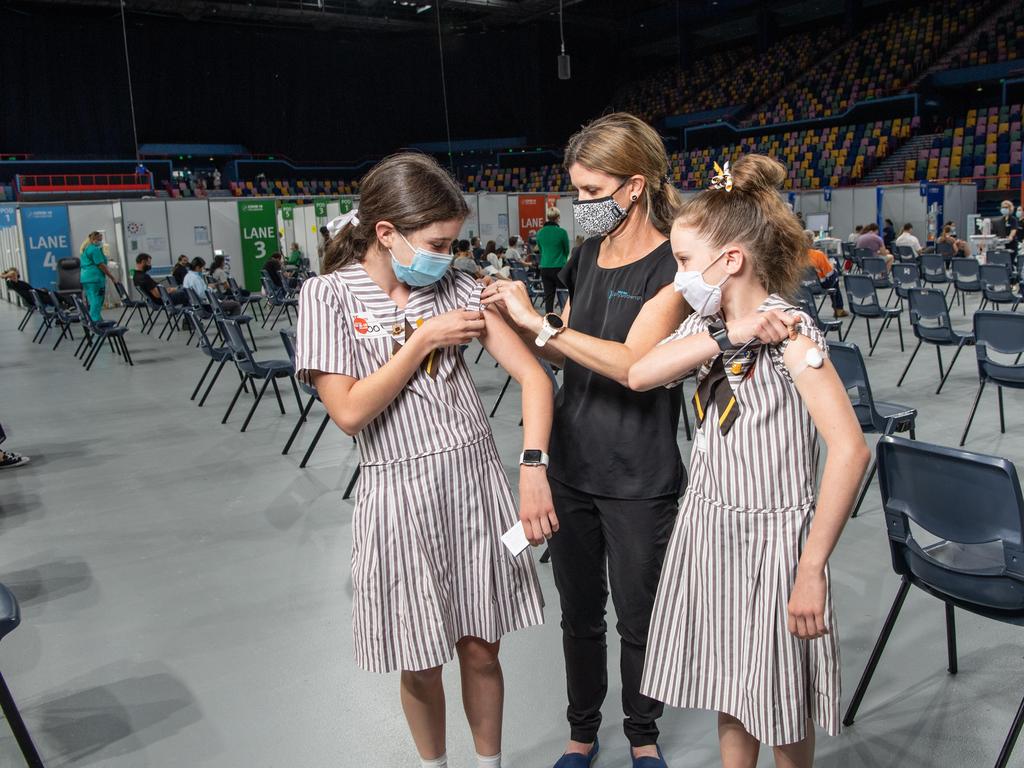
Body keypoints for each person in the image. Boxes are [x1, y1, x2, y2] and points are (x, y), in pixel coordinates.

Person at [294, 152, 554, 768]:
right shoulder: (327, 297)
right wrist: (424, 340)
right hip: (398, 494)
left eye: (453, 241)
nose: (447, 254)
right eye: (437, 242)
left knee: (483, 647)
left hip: (477, 486)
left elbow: (536, 380)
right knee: (419, 658)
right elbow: (351, 412)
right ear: (386, 232)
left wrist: (533, 465)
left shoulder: (459, 285)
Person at [628, 153, 870, 768]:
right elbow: (639, 373)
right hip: (712, 529)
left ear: (730, 260)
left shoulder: (793, 333)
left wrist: (811, 566)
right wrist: (725, 335)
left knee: (781, 702)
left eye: (684, 262)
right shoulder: (708, 327)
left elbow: (849, 448)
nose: (679, 276)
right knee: (730, 689)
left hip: (774, 541)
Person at [482, 112, 689, 767]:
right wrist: (509, 323)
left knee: (637, 618)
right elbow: (569, 353)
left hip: (640, 473)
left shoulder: (675, 266)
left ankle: (642, 735)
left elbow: (634, 364)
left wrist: (538, 327)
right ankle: (581, 731)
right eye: (578, 193)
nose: (583, 207)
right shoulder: (585, 255)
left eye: (594, 194)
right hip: (572, 464)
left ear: (634, 187)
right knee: (579, 615)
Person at [535, 206, 571, 313]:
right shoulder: (562, 232)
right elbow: (567, 251)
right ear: (558, 218)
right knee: (566, 293)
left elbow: (541, 250)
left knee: (548, 296)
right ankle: (566, 317)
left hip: (545, 268)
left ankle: (549, 319)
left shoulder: (540, 233)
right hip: (559, 268)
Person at [805, 230, 847, 317]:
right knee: (835, 276)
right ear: (812, 241)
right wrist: (833, 267)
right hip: (818, 286)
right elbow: (829, 274)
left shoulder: (794, 255)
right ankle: (839, 309)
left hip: (801, 287)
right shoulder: (818, 255)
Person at [79, 231, 115, 324]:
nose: (101, 241)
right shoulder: (94, 249)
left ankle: (97, 318)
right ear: (94, 239)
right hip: (95, 278)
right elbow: (100, 265)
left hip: (86, 278)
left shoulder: (86, 249)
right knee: (98, 300)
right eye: (100, 239)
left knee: (92, 299)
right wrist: (111, 277)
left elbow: (95, 261)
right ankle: (94, 321)